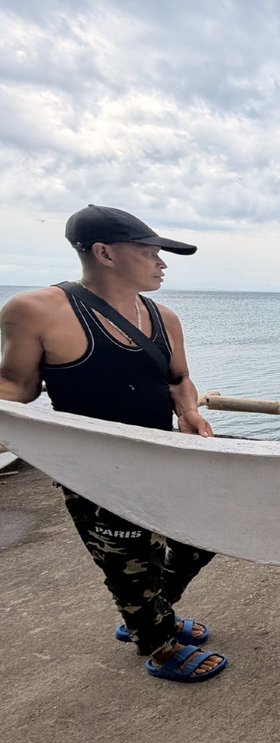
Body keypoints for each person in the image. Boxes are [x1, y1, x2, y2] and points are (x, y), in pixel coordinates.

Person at [0, 204, 226, 682]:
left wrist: (188, 410)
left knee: (204, 536)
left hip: (159, 454)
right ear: (104, 253)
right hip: (90, 469)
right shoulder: (35, 311)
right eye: (149, 252)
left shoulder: (164, 317)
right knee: (128, 561)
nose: (161, 263)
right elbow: (15, 388)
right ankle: (159, 645)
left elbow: (178, 379)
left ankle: (152, 613)